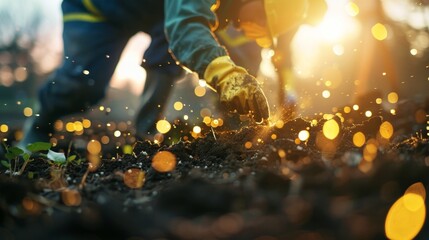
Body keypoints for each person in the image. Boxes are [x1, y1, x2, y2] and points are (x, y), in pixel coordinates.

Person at [16, 0, 309, 149]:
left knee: (167, 53)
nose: (256, 34)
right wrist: (226, 75)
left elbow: (178, 39)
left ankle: (143, 138)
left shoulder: (226, 8)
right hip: (98, 8)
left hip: (154, 11)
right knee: (84, 83)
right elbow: (185, 30)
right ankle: (39, 124)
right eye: (264, 25)